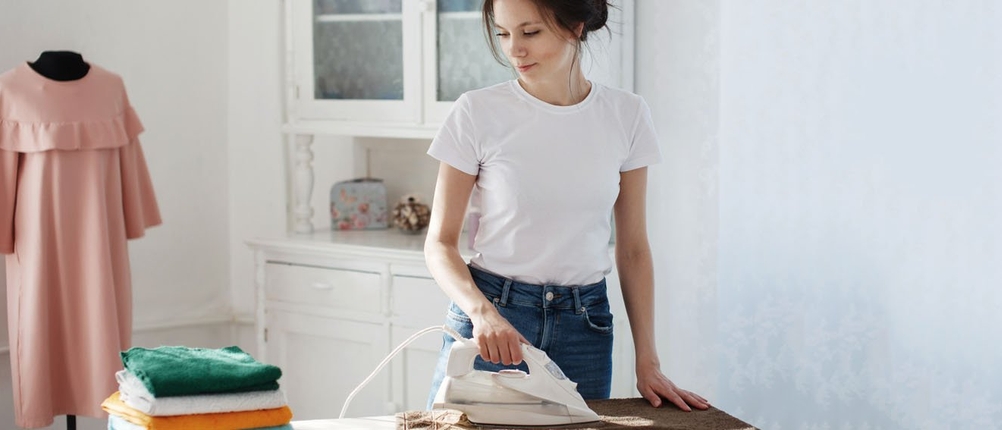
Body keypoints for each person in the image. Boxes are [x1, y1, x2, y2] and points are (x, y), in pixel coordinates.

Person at [423, 0, 709, 412]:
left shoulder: (627, 115)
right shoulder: (477, 111)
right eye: (503, 34)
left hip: (585, 325)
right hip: (495, 320)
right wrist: (481, 314)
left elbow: (632, 249)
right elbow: (440, 244)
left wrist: (648, 360)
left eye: (530, 32)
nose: (514, 49)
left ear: (575, 27)